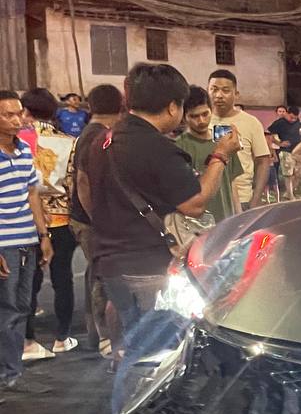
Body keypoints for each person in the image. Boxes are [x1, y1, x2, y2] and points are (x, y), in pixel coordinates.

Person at [81, 65, 239, 373]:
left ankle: (127, 388)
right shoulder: (157, 148)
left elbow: (83, 187)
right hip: (149, 266)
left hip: (109, 262)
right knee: (160, 357)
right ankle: (139, 398)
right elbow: (194, 203)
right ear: (172, 107)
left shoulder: (102, 141)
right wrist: (220, 155)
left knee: (131, 344)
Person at [0, 90, 52, 389]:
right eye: (8, 115)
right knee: (6, 309)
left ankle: (13, 371)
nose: (17, 119)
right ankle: (8, 372)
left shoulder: (23, 151)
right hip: (4, 245)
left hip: (27, 241)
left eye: (18, 113)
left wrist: (43, 235)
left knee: (22, 307)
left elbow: (32, 194)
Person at [20, 87, 78, 357]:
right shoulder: (69, 142)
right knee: (62, 278)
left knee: (28, 282)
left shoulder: (17, 142)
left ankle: (28, 340)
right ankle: (62, 338)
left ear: (25, 111)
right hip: (61, 219)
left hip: (27, 220)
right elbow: (73, 184)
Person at [68, 83, 122, 358]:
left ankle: (95, 332)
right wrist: (97, 219)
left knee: (95, 274)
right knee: (103, 276)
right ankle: (104, 337)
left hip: (84, 218)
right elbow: (82, 182)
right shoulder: (97, 136)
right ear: (121, 107)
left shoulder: (88, 133)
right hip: (90, 221)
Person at [174, 86, 244, 222]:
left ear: (211, 110)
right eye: (194, 116)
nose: (201, 121)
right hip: (197, 224)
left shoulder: (225, 141)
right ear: (184, 117)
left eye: (205, 114)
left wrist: (239, 216)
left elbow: (232, 183)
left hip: (227, 220)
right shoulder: (179, 147)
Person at [208, 70, 271, 210]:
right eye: (214, 89)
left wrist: (256, 199)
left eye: (225, 90)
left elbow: (263, 161)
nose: (219, 95)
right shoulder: (200, 121)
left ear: (236, 94)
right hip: (208, 199)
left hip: (243, 199)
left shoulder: (251, 122)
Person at [267, 105, 301, 201]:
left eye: (295, 118)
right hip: (286, 151)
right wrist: (279, 143)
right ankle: (291, 195)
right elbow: (269, 135)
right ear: (287, 113)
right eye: (291, 117)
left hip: (298, 150)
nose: (293, 120)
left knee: (300, 173)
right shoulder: (279, 123)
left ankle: (288, 193)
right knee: (288, 174)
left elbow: (298, 130)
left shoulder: (297, 121)